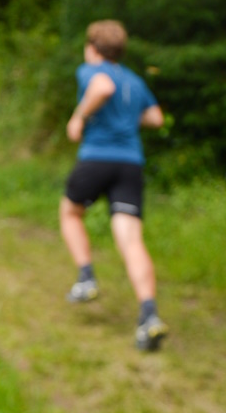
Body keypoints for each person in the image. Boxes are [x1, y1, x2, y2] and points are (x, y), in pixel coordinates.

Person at [59, 20, 168, 351]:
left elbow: (102, 88)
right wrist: (126, 117)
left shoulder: (91, 70)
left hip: (97, 158)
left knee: (70, 212)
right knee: (131, 238)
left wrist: (79, 117)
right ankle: (148, 315)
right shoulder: (134, 81)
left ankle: (86, 278)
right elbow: (156, 118)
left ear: (92, 47)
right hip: (130, 164)